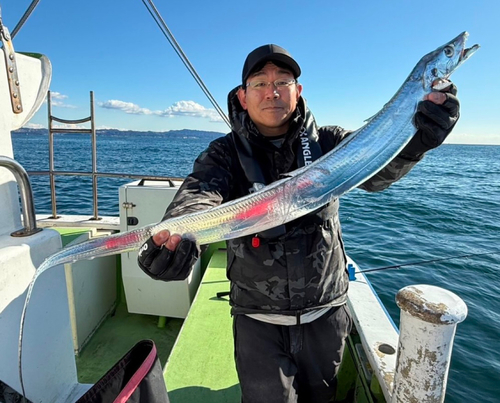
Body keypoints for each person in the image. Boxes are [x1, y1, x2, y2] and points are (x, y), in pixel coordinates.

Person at [137, 44, 460, 403]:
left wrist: (416, 142)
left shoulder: (330, 143)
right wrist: (174, 239)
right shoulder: (222, 155)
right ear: (243, 97)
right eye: (260, 83)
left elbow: (376, 174)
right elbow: (198, 195)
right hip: (258, 321)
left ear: (298, 90)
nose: (272, 91)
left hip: (327, 314)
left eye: (283, 81)